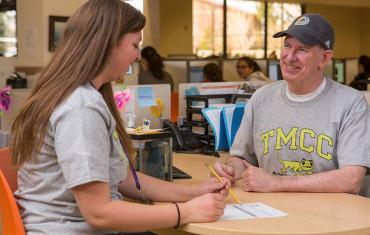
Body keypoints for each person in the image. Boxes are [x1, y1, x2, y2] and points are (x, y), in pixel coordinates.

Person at [10, 1, 229, 234]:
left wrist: (192, 192)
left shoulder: (84, 95)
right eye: (135, 45)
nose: (137, 56)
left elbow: (120, 178)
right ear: (108, 43)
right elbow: (99, 213)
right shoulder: (81, 108)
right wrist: (185, 212)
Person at [214, 13, 369, 195]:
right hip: (270, 211)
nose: (289, 57)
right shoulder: (261, 98)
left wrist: (276, 183)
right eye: (287, 46)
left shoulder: (350, 103)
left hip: (327, 217)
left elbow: (351, 179)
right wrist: (231, 171)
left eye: (302, 49)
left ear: (325, 58)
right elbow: (240, 157)